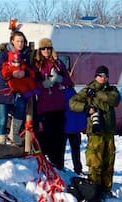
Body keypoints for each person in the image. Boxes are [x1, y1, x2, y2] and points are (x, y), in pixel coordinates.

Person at [68, 66, 120, 194]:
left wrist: (97, 94)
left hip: (108, 131)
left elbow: (114, 100)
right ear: (95, 76)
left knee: (108, 163)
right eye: (101, 75)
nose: (103, 78)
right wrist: (86, 108)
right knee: (95, 162)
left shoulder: (111, 90)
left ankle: (106, 190)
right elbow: (72, 103)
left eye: (106, 76)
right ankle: (94, 190)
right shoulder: (88, 90)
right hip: (95, 132)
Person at [31, 37, 73, 170]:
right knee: (45, 138)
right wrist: (43, 83)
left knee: (59, 138)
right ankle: (46, 166)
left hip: (58, 106)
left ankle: (59, 164)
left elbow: (69, 81)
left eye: (48, 48)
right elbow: (32, 84)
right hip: (44, 107)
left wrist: (59, 78)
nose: (46, 51)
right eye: (43, 48)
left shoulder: (58, 63)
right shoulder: (36, 65)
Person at [0, 31, 37, 146]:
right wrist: (10, 74)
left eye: (22, 41)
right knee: (3, 118)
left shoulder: (26, 55)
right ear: (12, 41)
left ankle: (14, 133)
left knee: (21, 107)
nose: (20, 43)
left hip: (20, 88)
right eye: (18, 41)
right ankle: (0, 143)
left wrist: (25, 73)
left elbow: (32, 71)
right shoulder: (4, 54)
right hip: (4, 89)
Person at [63, 85, 86, 175]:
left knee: (61, 150)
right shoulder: (74, 94)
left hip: (64, 127)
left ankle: (60, 167)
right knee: (75, 150)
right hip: (75, 128)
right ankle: (78, 168)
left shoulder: (60, 94)